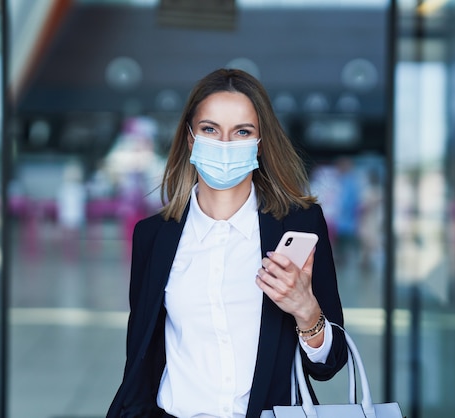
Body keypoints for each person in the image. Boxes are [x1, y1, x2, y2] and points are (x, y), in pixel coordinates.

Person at [107, 68, 347, 418]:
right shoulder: (153, 237)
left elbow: (330, 364)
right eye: (210, 129)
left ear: (260, 143)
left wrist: (306, 311)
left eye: (242, 132)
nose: (224, 144)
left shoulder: (299, 227)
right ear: (190, 138)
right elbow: (142, 355)